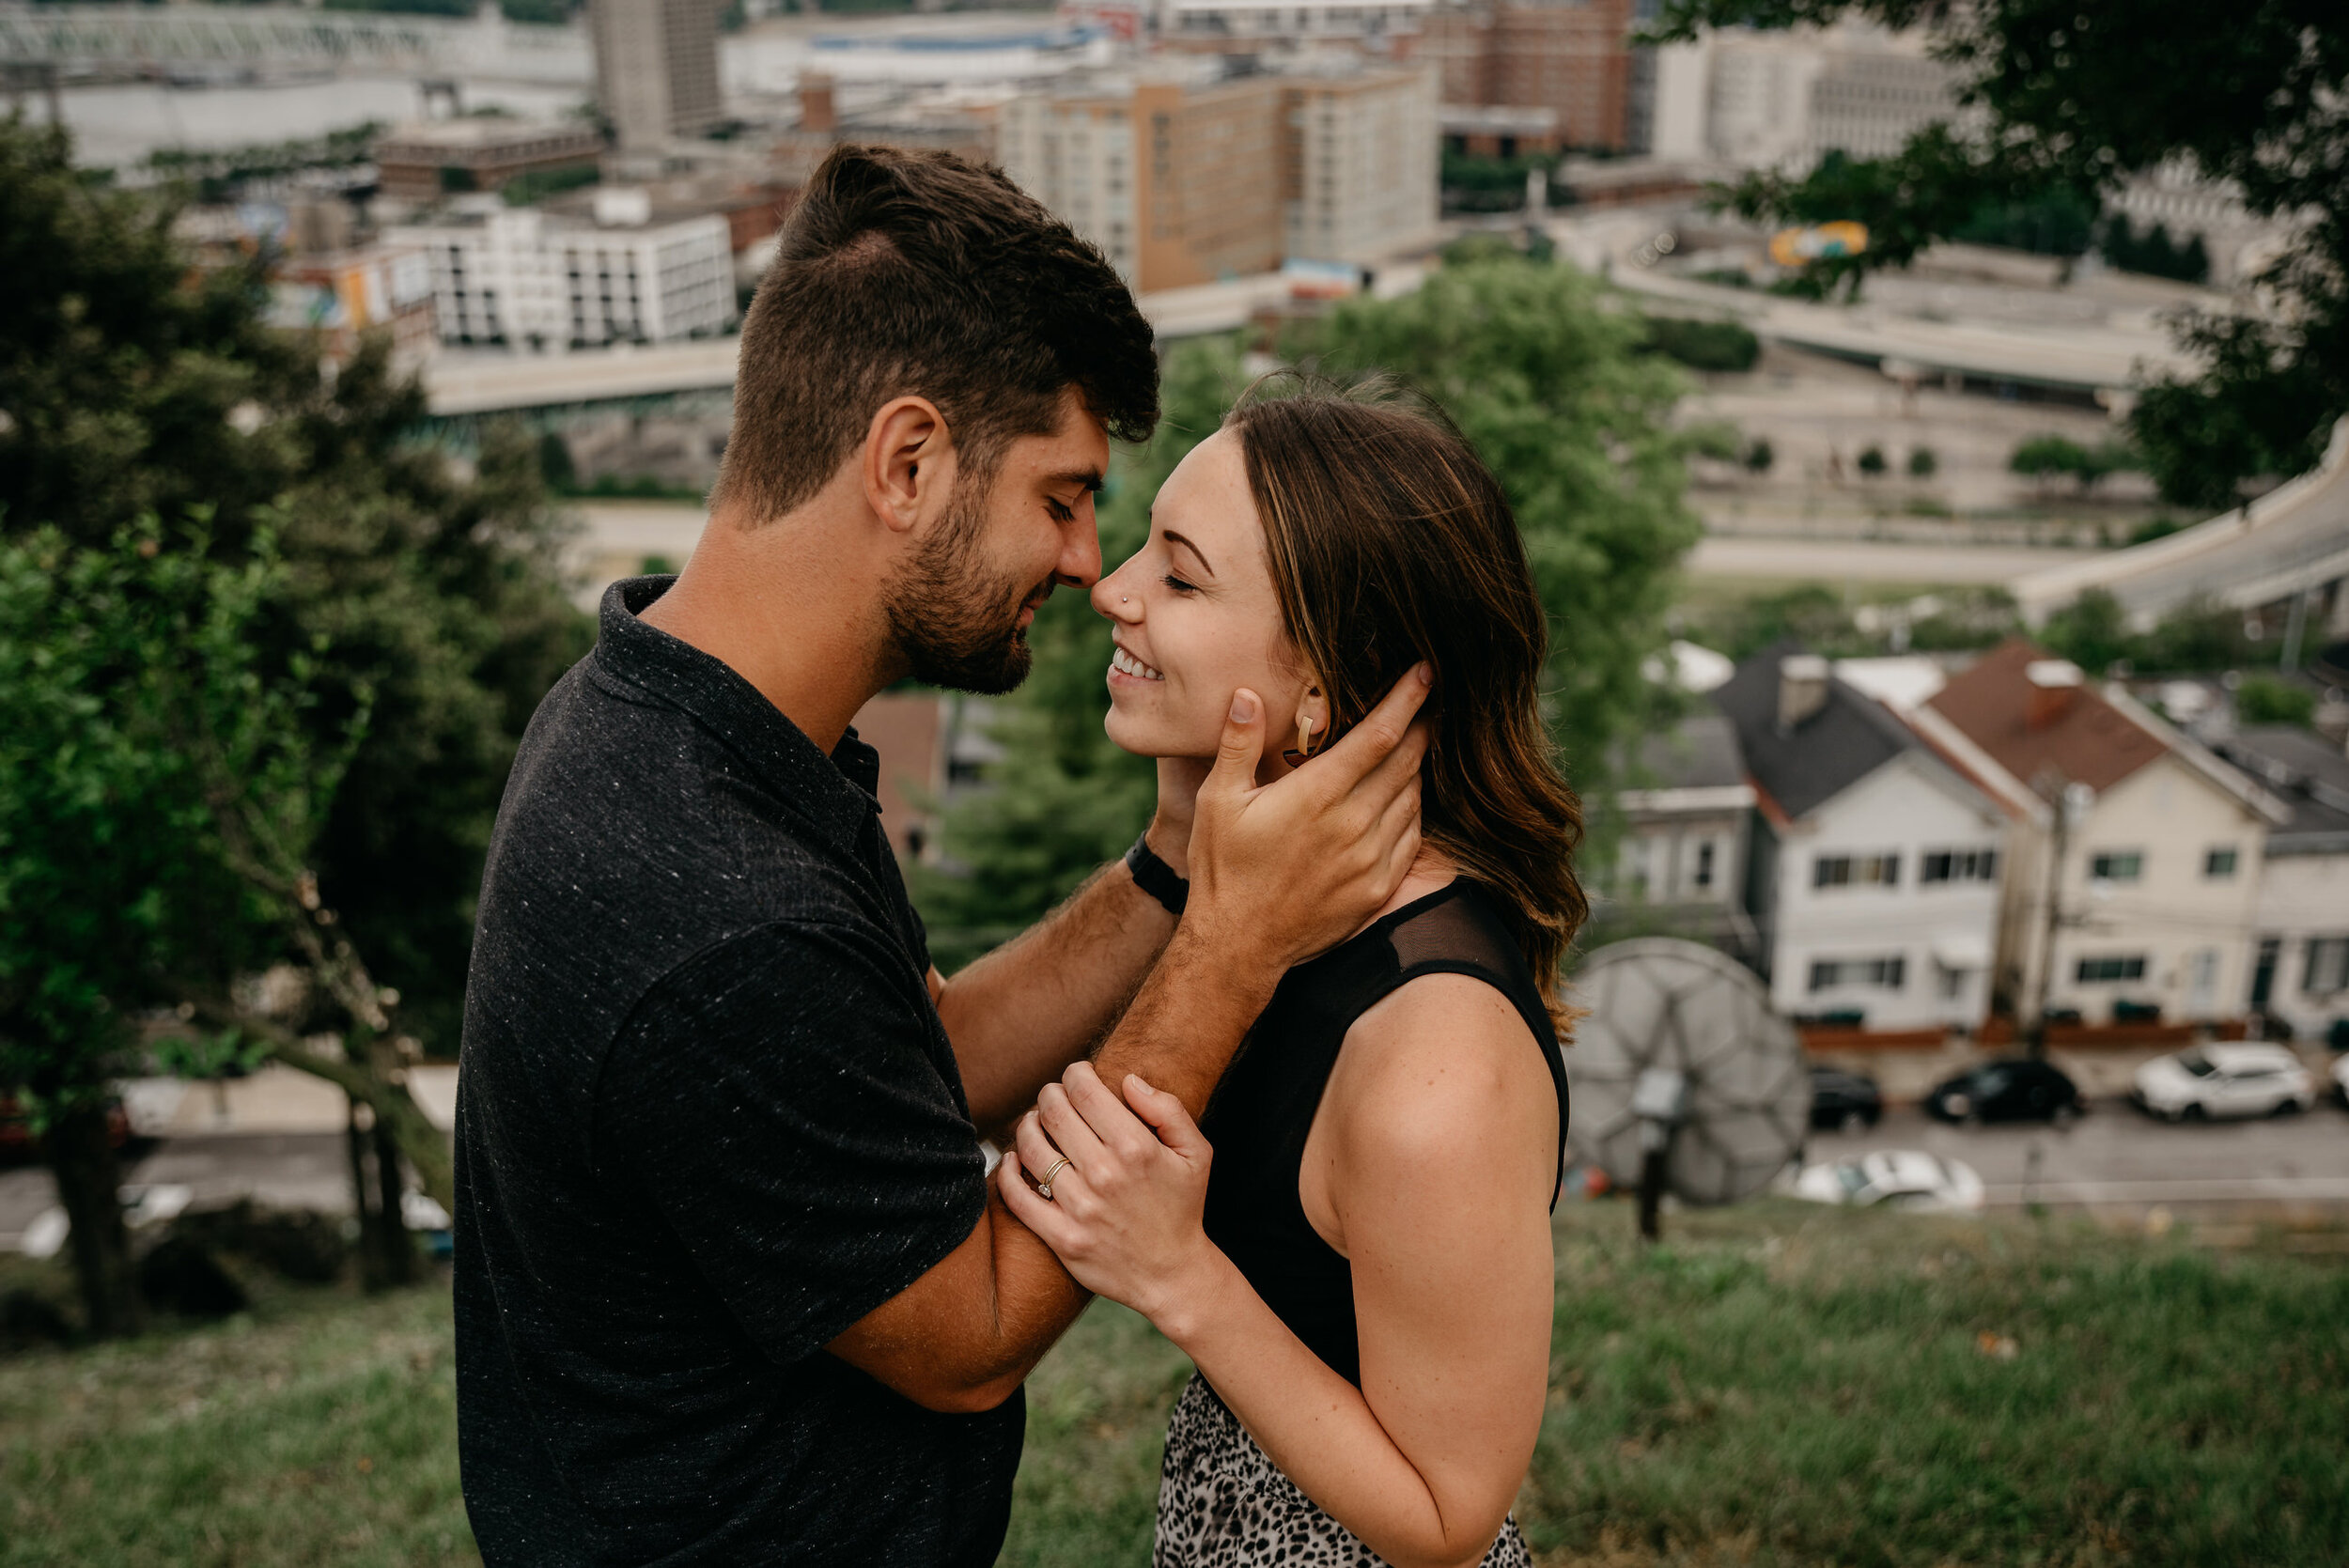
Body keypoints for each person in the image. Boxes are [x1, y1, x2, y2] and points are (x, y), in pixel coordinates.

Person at [453, 148, 1433, 1566]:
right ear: (908, 462)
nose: (1093, 564)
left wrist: (1171, 862)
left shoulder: (673, 715)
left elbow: (929, 1056)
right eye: (1061, 496)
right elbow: (970, 1333)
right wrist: (1233, 940)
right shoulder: (715, 902)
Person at [1000, 380, 1586, 1568]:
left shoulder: (1436, 1069)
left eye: (1178, 574)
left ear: (1321, 677)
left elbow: (1448, 1516)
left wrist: (1178, 1274)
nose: (1109, 590)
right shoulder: (1288, 916)